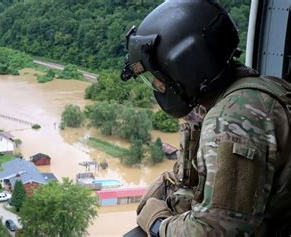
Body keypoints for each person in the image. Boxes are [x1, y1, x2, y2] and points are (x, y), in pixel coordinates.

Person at [120, 0, 291, 236]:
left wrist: (158, 224)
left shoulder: (230, 120)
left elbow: (214, 231)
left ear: (185, 68)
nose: (158, 87)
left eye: (158, 79)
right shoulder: (256, 91)